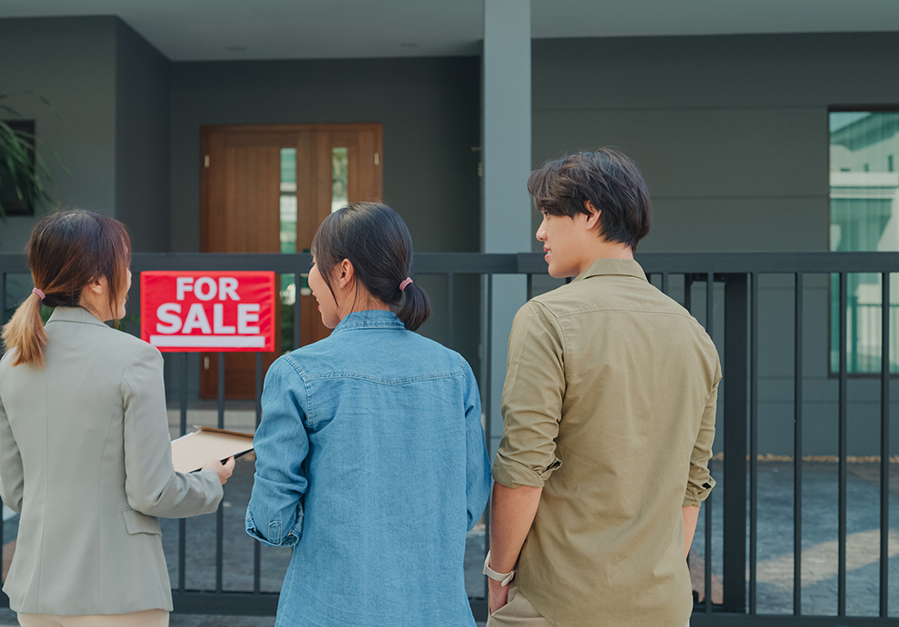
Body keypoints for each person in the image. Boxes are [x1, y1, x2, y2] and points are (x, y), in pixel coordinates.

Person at [484, 149, 721, 627]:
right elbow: (690, 488)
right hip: (662, 605)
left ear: (590, 213)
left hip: (558, 603)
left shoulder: (547, 319)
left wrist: (498, 575)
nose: (541, 232)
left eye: (550, 214)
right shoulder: (695, 335)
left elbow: (523, 471)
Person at [245, 202, 492, 626]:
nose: (310, 279)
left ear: (342, 271)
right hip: (437, 611)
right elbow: (469, 503)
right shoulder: (455, 371)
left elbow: (273, 518)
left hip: (328, 611)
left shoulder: (298, 373)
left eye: (313, 264)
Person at [0, 210, 236, 627]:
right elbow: (152, 492)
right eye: (125, 265)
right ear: (97, 280)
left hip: (35, 592)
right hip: (119, 592)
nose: (130, 276)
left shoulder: (12, 362)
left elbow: (16, 492)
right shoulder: (134, 357)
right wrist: (210, 479)